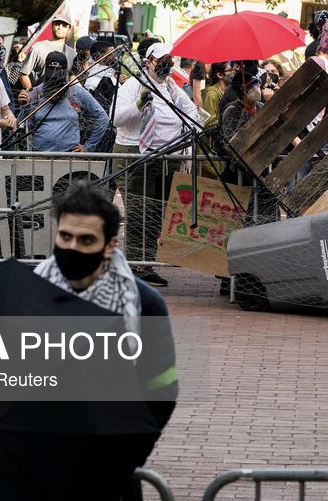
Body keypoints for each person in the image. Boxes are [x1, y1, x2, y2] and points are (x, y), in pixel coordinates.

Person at [35, 181, 177, 431]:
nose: (72, 247)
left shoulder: (145, 303)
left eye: (86, 240)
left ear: (110, 245)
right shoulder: (27, 293)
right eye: (65, 236)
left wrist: (129, 443)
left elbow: (161, 386)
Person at [112, 42, 205, 288]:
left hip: (165, 156)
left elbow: (191, 112)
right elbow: (117, 118)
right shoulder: (133, 86)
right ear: (149, 61)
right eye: (161, 59)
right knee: (138, 210)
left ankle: (147, 263)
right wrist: (138, 105)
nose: (165, 63)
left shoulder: (172, 88)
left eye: (169, 59)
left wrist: (189, 136)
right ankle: (134, 264)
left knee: (155, 211)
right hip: (135, 153)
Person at [18, 51, 110, 152]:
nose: (54, 79)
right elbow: (23, 127)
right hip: (40, 156)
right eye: (51, 73)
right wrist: (24, 106)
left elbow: (103, 117)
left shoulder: (75, 92)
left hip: (69, 157)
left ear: (66, 71)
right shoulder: (35, 94)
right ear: (45, 70)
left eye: (57, 74)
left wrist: (88, 147)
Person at [19, 13, 77, 90]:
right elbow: (23, 74)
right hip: (41, 98)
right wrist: (32, 93)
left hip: (63, 98)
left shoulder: (73, 53)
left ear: (69, 29)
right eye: (57, 24)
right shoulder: (37, 47)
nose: (60, 27)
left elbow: (73, 78)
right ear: (52, 26)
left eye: (64, 25)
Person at [201, 62, 230, 127]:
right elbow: (209, 123)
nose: (233, 73)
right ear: (219, 75)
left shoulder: (230, 91)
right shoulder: (211, 95)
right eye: (229, 70)